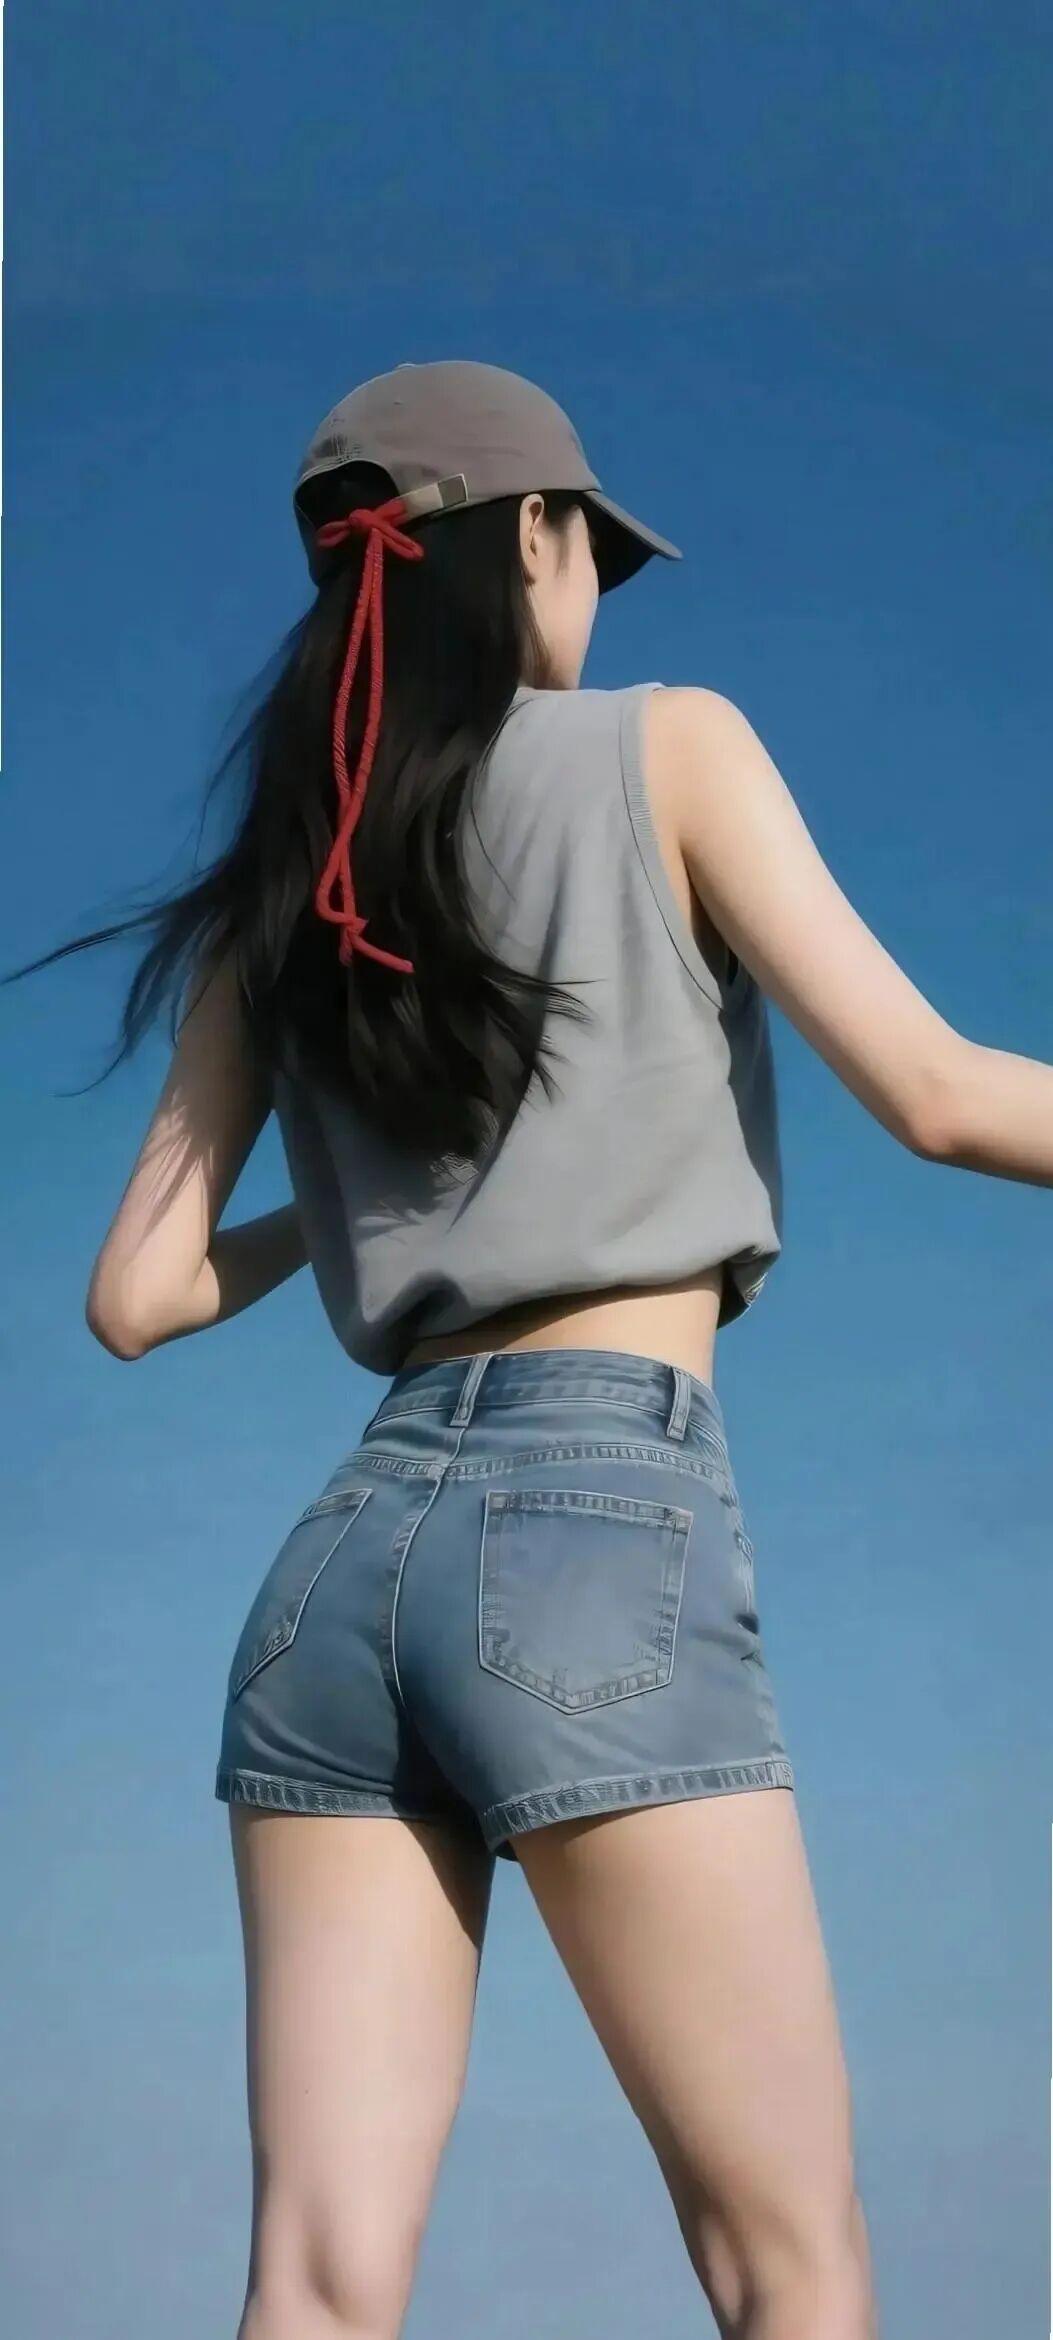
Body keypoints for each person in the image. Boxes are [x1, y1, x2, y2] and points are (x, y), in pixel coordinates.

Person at [12, 359, 1053, 2340]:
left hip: (339, 1573)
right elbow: (933, 1094)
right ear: (541, 541)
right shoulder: (668, 747)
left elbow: (134, 1297)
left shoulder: (283, 887)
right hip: (595, 1517)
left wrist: (366, 1208)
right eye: (591, 553)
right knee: (790, 2267)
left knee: (314, 2288)